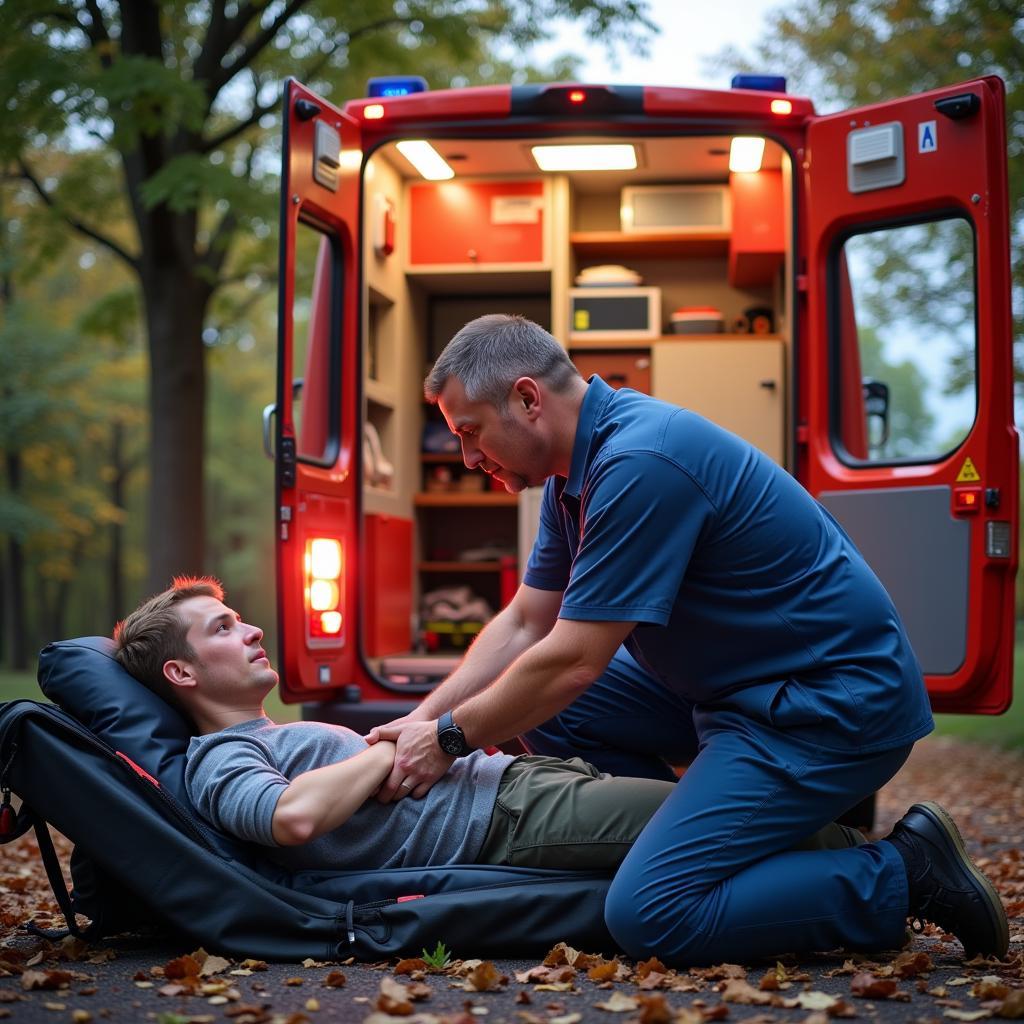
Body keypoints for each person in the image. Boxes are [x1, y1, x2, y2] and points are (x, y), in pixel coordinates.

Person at [368, 313, 1009, 964]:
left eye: (471, 434)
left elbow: (571, 663)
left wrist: (449, 738)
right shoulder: (574, 477)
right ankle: (686, 849)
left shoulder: (640, 461)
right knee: (562, 712)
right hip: (738, 692)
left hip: (827, 710)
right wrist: (416, 723)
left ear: (528, 399)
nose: (469, 459)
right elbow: (526, 624)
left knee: (651, 914)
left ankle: (903, 872)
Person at [113, 578, 862, 876]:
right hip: (508, 821)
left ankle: (845, 836)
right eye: (221, 628)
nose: (249, 632)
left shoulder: (275, 733)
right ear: (181, 674)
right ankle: (887, 866)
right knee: (721, 825)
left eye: (241, 619)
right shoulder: (218, 758)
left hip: (522, 786)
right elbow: (294, 817)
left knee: (712, 823)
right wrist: (393, 750)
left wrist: (417, 734)